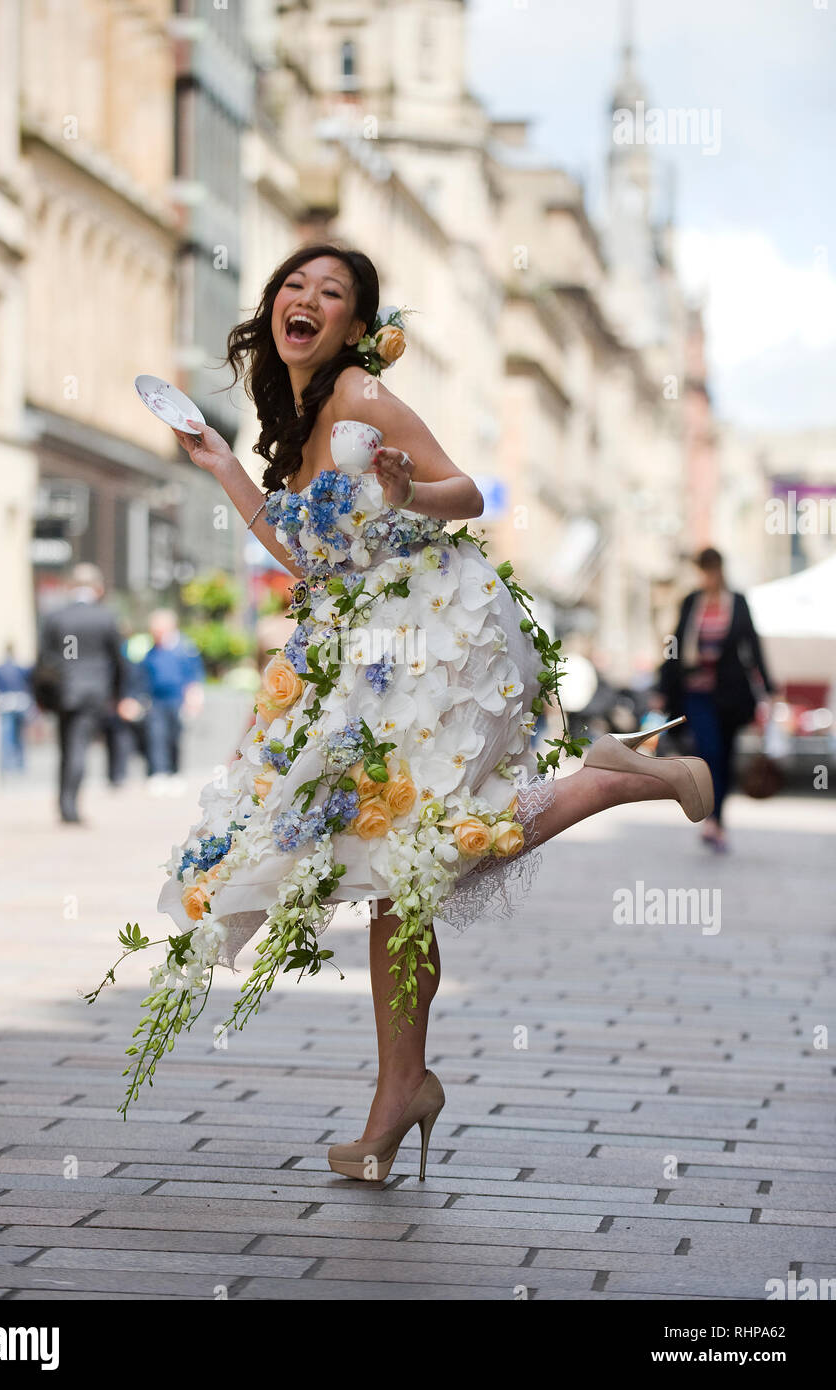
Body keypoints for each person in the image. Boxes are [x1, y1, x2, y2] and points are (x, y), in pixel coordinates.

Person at [93, 244, 715, 1170]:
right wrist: (223, 464)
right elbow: (309, 557)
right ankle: (400, 1096)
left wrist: (401, 490)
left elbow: (464, 493)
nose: (306, 301)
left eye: (331, 294)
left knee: (420, 853)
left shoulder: (360, 394)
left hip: (430, 631)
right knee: (400, 875)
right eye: (294, 287)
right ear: (274, 310)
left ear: (355, 325)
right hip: (361, 635)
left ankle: (604, 781)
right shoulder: (299, 419)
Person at [658, 547, 776, 854]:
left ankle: (718, 821)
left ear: (719, 569)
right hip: (695, 693)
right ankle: (710, 817)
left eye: (709, 569)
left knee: (724, 757)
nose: (706, 576)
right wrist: (663, 685)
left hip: (730, 695)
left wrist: (770, 688)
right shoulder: (690, 601)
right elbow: (674, 643)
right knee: (708, 751)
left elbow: (752, 645)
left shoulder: (737, 603)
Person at [36, 563, 130, 824]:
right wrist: (119, 694)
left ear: (70, 586)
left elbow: (43, 660)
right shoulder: (106, 617)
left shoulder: (56, 617)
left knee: (67, 746)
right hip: (93, 693)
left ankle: (66, 803)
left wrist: (42, 697)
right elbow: (119, 660)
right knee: (78, 747)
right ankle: (69, 807)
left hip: (64, 692)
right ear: (97, 588)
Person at [134, 609, 205, 794]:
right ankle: (158, 772)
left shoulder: (184, 648)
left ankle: (174, 772)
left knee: (175, 737)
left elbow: (194, 675)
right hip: (156, 701)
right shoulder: (151, 651)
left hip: (177, 699)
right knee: (156, 737)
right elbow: (143, 676)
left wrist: (193, 696)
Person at [0, 644, 33, 773]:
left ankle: (6, 763)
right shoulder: (20, 668)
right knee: (19, 734)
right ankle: (20, 763)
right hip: (20, 702)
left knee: (6, 734)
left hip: (5, 703)